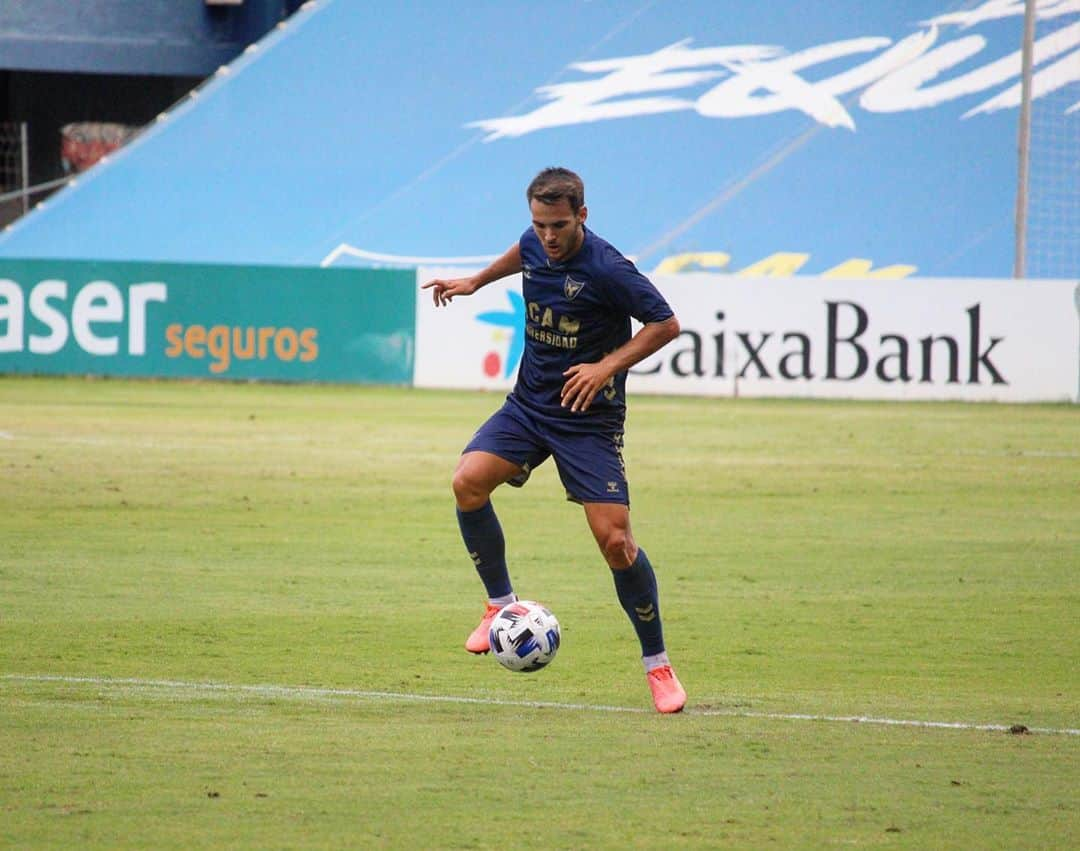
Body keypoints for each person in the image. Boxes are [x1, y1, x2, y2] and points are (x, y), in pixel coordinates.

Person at [421, 167, 686, 713]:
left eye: (559, 225)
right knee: (467, 482)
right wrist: (475, 281)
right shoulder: (533, 242)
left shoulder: (610, 269)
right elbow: (520, 254)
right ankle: (499, 605)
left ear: (582, 217)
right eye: (540, 224)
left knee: (615, 542)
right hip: (530, 405)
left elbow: (665, 324)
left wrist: (604, 368)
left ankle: (657, 666)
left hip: (589, 418)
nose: (548, 236)